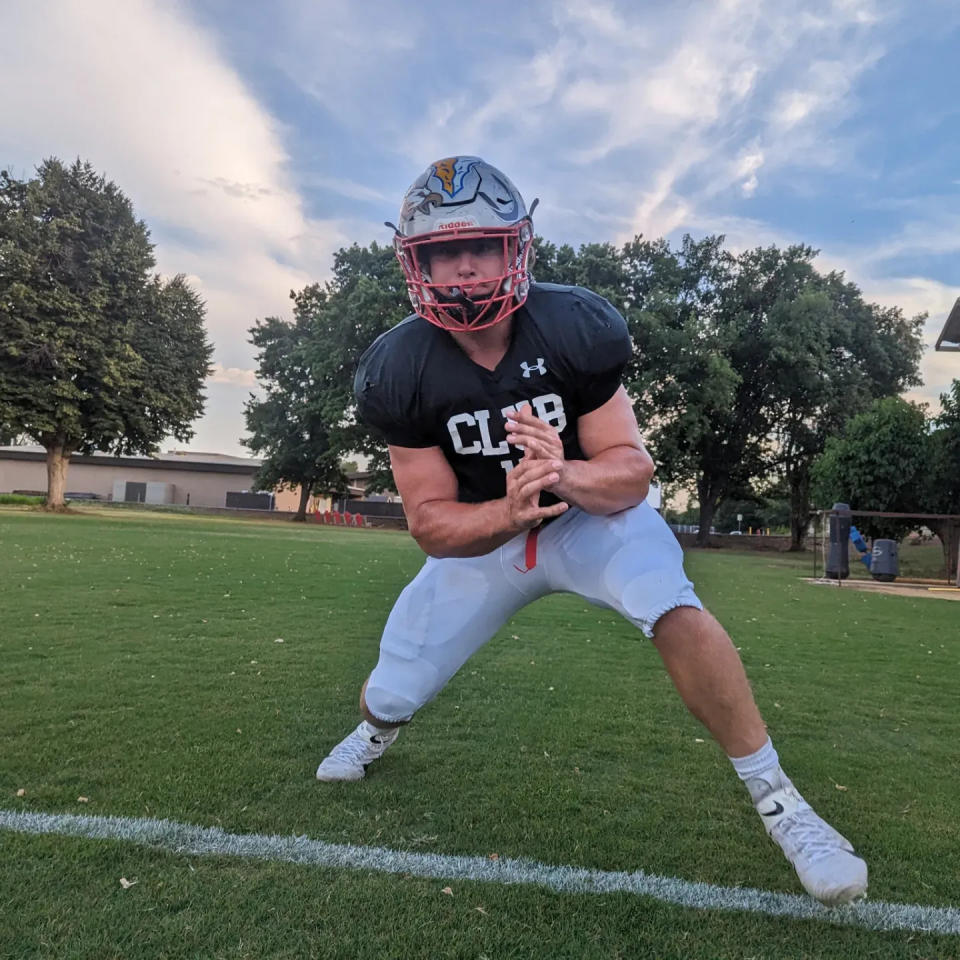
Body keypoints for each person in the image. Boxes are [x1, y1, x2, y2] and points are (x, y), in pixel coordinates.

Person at [315, 156, 867, 906]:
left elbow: (631, 472)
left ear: (519, 248)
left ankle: (783, 804)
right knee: (394, 682)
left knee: (673, 606)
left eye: (481, 246)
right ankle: (378, 733)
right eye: (446, 252)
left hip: (588, 518)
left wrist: (563, 477)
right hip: (489, 536)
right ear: (418, 265)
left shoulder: (575, 325)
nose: (467, 268)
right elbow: (432, 525)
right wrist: (509, 513)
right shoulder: (398, 367)